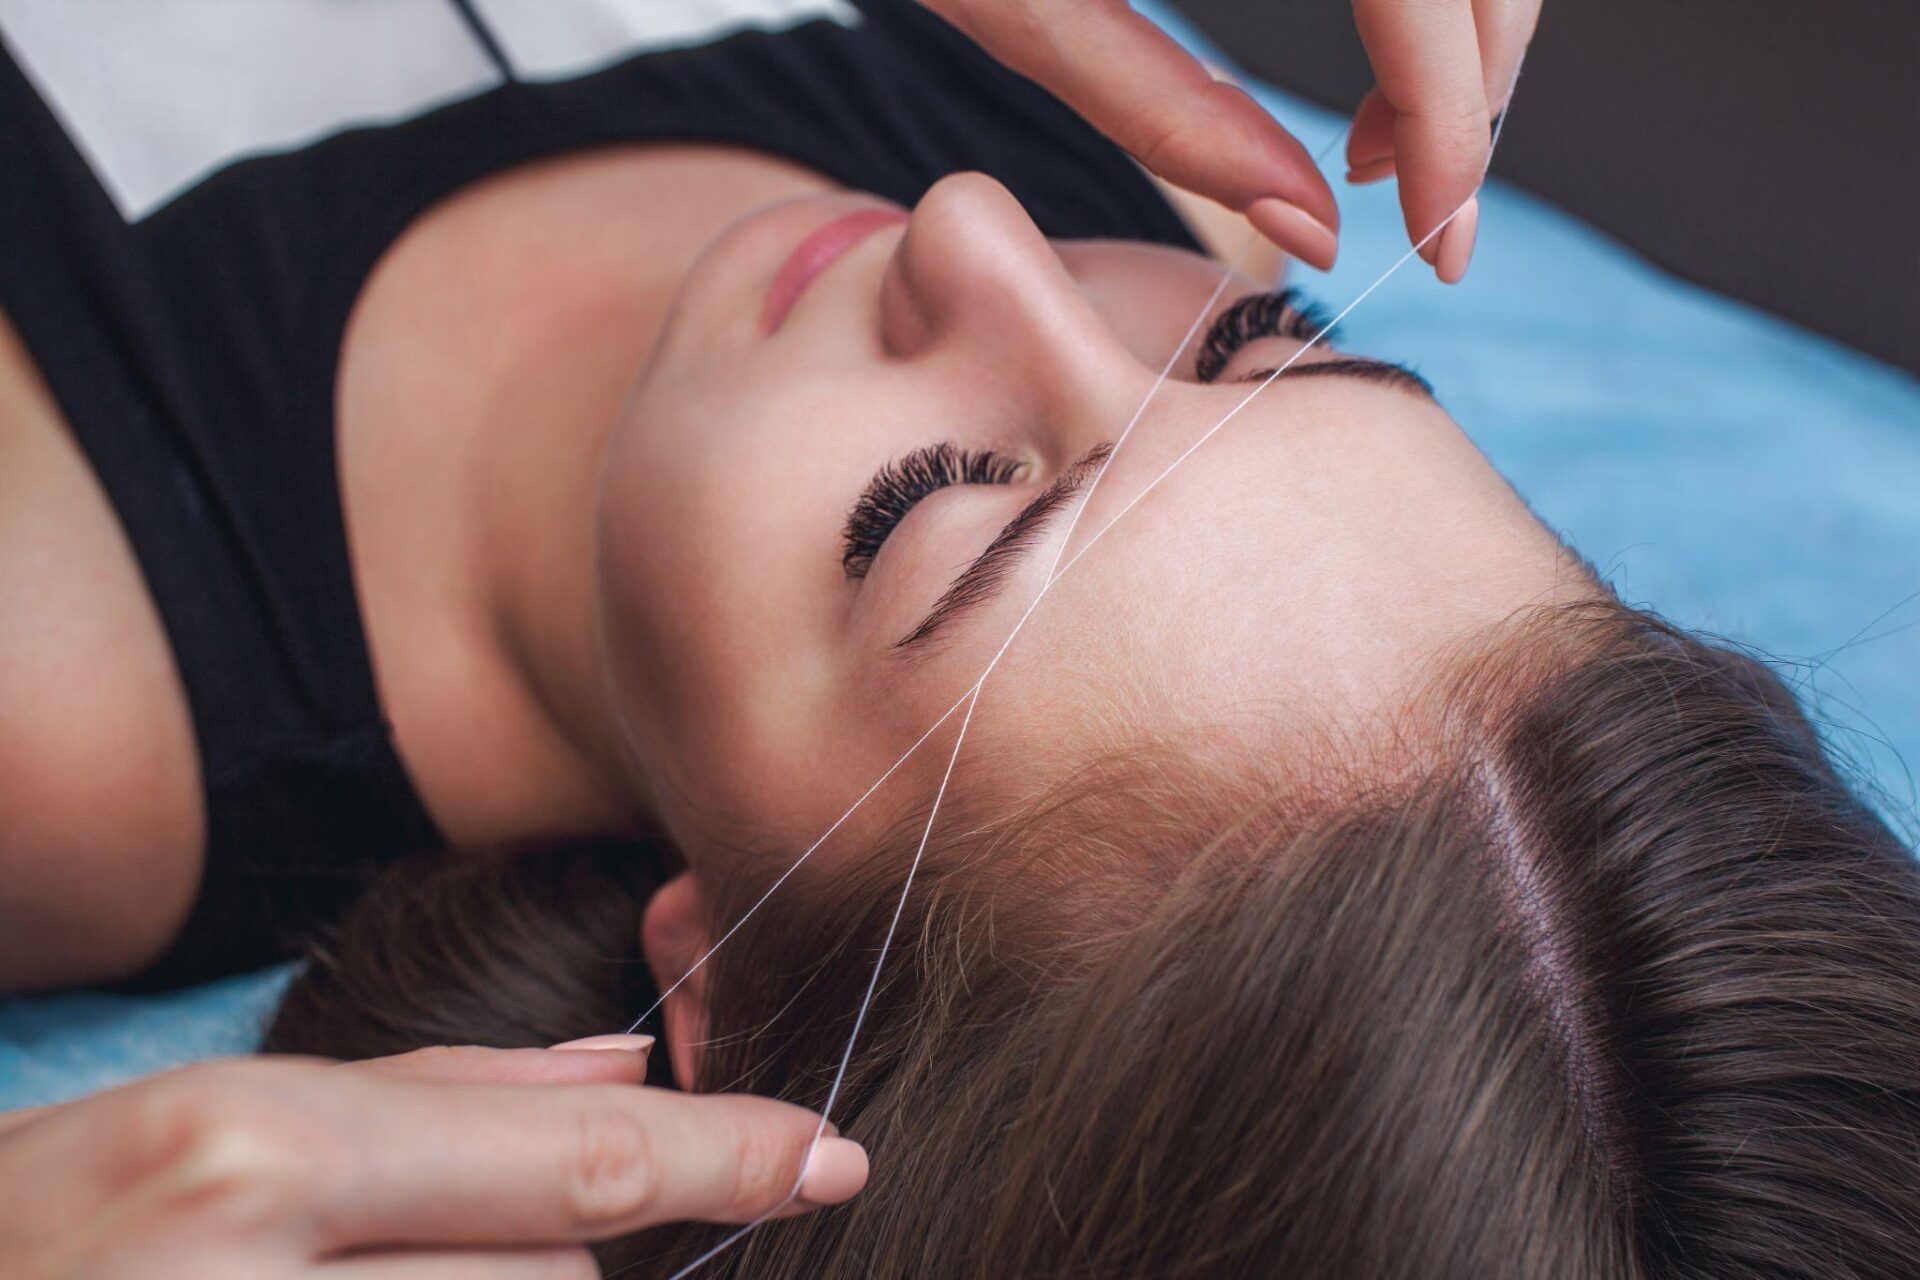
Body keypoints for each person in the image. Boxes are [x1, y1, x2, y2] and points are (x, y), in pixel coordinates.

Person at [21, 1, 1913, 1277]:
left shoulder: (57, 702)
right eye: (1266, 360)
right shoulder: (1170, 187)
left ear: (726, 1014)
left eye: (937, 509)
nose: (984, 226)